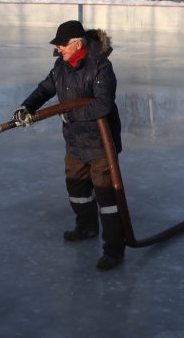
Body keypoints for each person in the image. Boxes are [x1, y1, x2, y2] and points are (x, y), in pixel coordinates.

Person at [12, 20, 126, 270]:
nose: (58, 49)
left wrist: (71, 114)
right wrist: (26, 107)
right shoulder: (61, 66)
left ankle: (114, 249)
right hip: (75, 142)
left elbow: (102, 105)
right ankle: (85, 228)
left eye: (62, 45)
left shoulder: (101, 67)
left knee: (107, 198)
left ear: (77, 44)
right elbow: (45, 89)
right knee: (77, 188)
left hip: (100, 144)